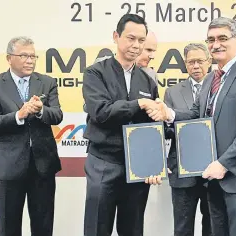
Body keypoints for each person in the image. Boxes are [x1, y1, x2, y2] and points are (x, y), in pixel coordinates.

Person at [148, 17, 236, 236]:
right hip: (213, 179)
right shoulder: (210, 79)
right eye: (211, 39)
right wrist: (169, 113)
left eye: (223, 38)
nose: (216, 44)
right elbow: (197, 115)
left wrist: (224, 163)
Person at [82, 14, 163, 236]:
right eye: (130, 38)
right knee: (97, 228)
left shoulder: (148, 80)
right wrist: (138, 103)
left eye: (141, 40)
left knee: (133, 229)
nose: (136, 45)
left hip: (137, 169)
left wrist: (153, 164)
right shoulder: (95, 73)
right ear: (116, 37)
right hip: (103, 162)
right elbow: (101, 112)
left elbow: (150, 126)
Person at [0, 36, 63, 236]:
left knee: (43, 227)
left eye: (33, 56)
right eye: (24, 56)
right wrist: (19, 115)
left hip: (42, 166)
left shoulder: (47, 82)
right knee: (9, 227)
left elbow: (57, 115)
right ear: (9, 58)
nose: (30, 60)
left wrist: (40, 110)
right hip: (9, 168)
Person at [164, 43, 212, 236]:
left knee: (213, 226)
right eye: (191, 62)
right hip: (182, 171)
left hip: (213, 170)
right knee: (182, 228)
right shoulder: (172, 92)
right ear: (185, 64)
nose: (196, 66)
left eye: (200, 61)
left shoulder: (220, 89)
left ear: (209, 62)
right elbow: (165, 129)